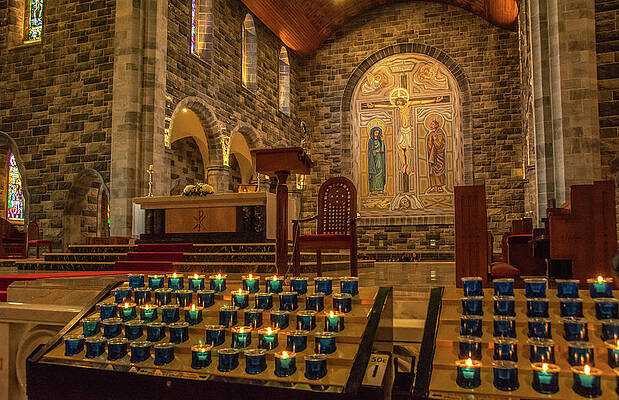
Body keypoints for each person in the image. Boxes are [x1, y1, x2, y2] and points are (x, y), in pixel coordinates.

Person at [368, 89, 442, 176]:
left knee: (407, 148)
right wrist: (374, 106)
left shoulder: (408, 104)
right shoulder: (399, 108)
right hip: (402, 130)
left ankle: (408, 165)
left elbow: (421, 102)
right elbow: (387, 106)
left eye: (400, 102)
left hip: (407, 130)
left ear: (403, 101)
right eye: (397, 103)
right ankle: (404, 164)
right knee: (399, 147)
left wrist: (434, 101)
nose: (399, 104)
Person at [426, 117, 446, 192]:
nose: (431, 125)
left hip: (439, 155)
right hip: (432, 155)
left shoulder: (440, 133)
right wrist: (430, 140)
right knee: (432, 170)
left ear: (437, 125)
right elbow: (429, 146)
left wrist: (434, 139)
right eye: (431, 124)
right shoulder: (430, 134)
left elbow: (439, 145)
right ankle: (433, 186)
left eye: (433, 124)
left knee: (439, 169)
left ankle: (440, 186)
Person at [367, 127, 386, 193]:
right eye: (375, 132)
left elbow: (382, 149)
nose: (376, 134)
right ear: (373, 133)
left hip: (379, 158)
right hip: (373, 159)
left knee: (380, 172)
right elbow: (369, 151)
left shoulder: (379, 140)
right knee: (374, 173)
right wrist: (375, 151)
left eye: (378, 133)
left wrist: (382, 141)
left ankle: (380, 188)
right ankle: (373, 189)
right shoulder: (370, 141)